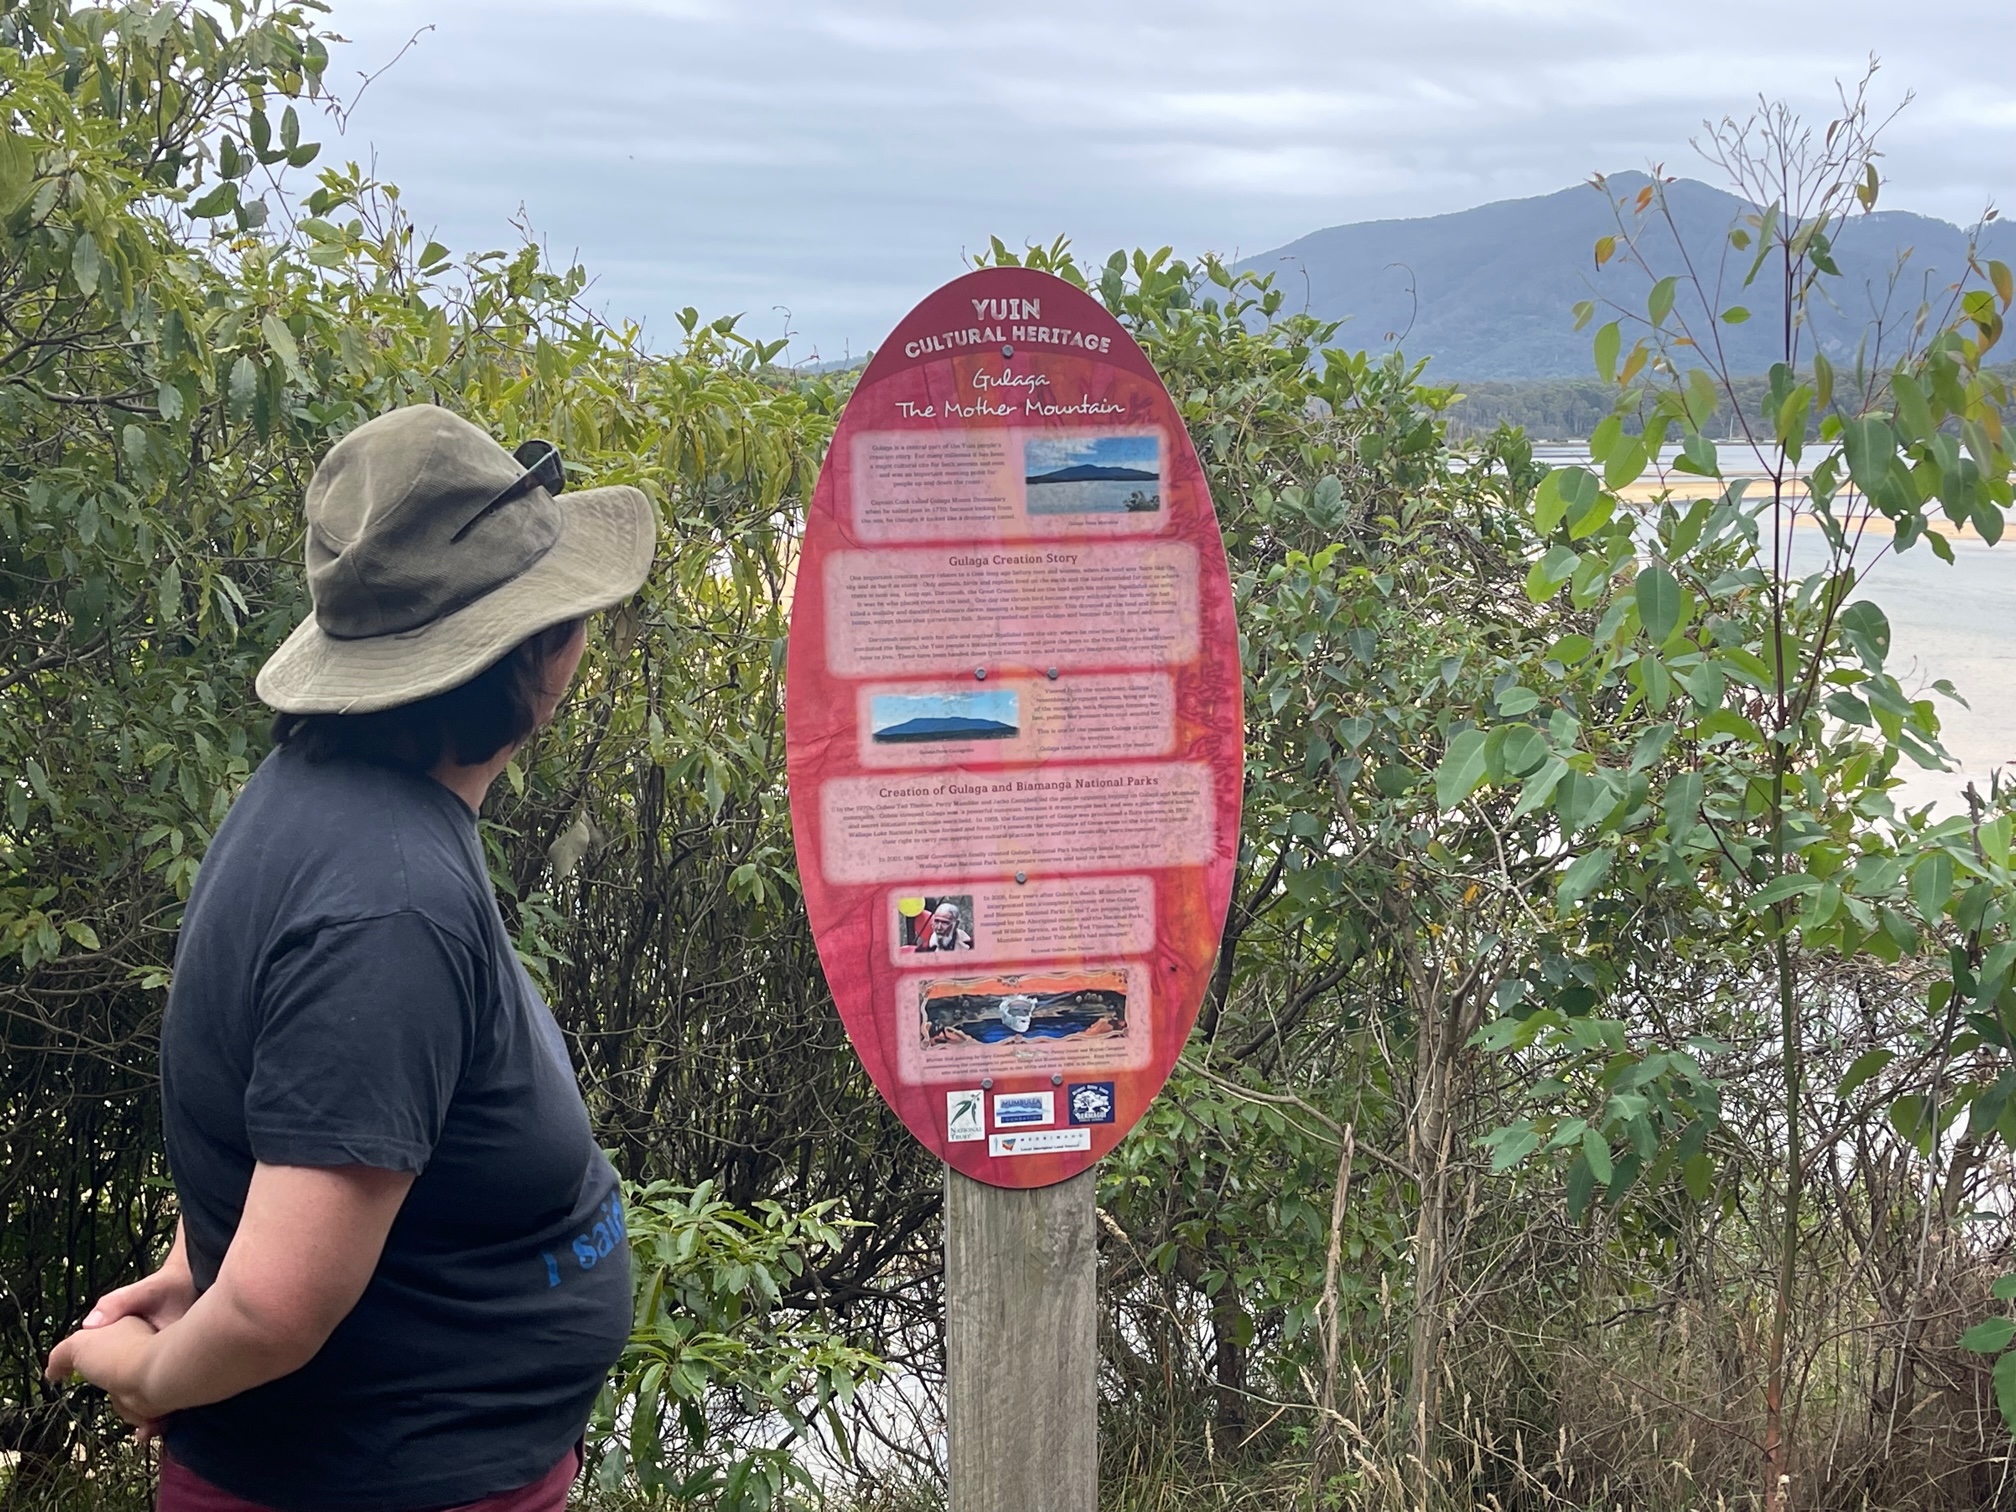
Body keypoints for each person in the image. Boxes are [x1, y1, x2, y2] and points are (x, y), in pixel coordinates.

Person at [43, 405, 657, 1512]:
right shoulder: (390, 904)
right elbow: (279, 1307)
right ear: (535, 656)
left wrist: (196, 1261)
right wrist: (143, 1372)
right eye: (569, 618)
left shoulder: (324, 803)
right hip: (379, 1478)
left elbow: (287, 1104)